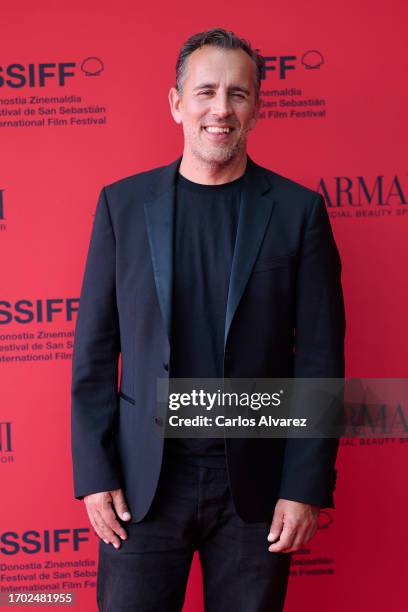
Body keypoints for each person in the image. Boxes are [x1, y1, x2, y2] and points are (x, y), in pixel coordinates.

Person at [71, 27, 345, 612]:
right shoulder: (121, 206)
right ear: (176, 104)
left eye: (238, 94)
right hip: (142, 487)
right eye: (205, 92)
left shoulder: (299, 212)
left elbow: (320, 360)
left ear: (257, 107)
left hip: (256, 487)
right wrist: (95, 473)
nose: (221, 109)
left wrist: (304, 487)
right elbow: (95, 352)